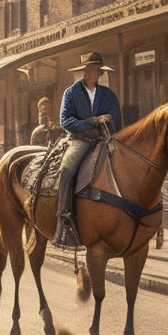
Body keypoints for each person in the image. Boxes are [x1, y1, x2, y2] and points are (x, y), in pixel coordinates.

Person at [54, 51, 121, 248]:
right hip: (79, 140)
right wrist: (91, 121)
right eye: (89, 70)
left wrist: (108, 122)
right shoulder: (71, 92)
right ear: (84, 72)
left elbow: (116, 119)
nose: (92, 73)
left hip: (104, 139)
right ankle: (64, 220)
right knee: (66, 171)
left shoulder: (108, 95)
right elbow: (65, 120)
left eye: (96, 70)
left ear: (100, 73)